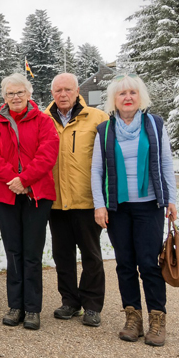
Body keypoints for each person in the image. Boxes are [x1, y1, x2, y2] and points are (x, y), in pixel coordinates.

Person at [92, 74, 177, 347]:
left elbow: (165, 164)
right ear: (113, 100)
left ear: (140, 97)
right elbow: (97, 171)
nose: (127, 97)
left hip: (149, 206)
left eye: (132, 92)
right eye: (121, 94)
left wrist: (171, 200)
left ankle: (157, 318)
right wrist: (99, 205)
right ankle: (133, 317)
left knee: (149, 264)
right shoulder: (105, 130)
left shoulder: (154, 125)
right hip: (118, 208)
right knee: (125, 264)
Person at [0, 73, 59, 330]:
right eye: (10, 93)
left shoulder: (44, 121)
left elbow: (48, 153)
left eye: (19, 93)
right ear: (4, 97)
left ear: (29, 94)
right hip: (6, 195)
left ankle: (33, 308)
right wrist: (13, 180)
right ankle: (15, 305)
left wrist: (25, 180)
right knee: (13, 252)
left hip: (37, 194)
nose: (15, 97)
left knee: (32, 253)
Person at [45, 73, 110, 327]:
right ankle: (70, 301)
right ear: (52, 93)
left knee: (91, 254)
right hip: (56, 201)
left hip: (87, 200)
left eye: (67, 90)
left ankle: (92, 305)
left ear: (77, 91)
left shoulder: (97, 117)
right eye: (58, 90)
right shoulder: (43, 119)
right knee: (62, 255)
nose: (63, 94)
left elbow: (107, 160)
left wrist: (103, 199)